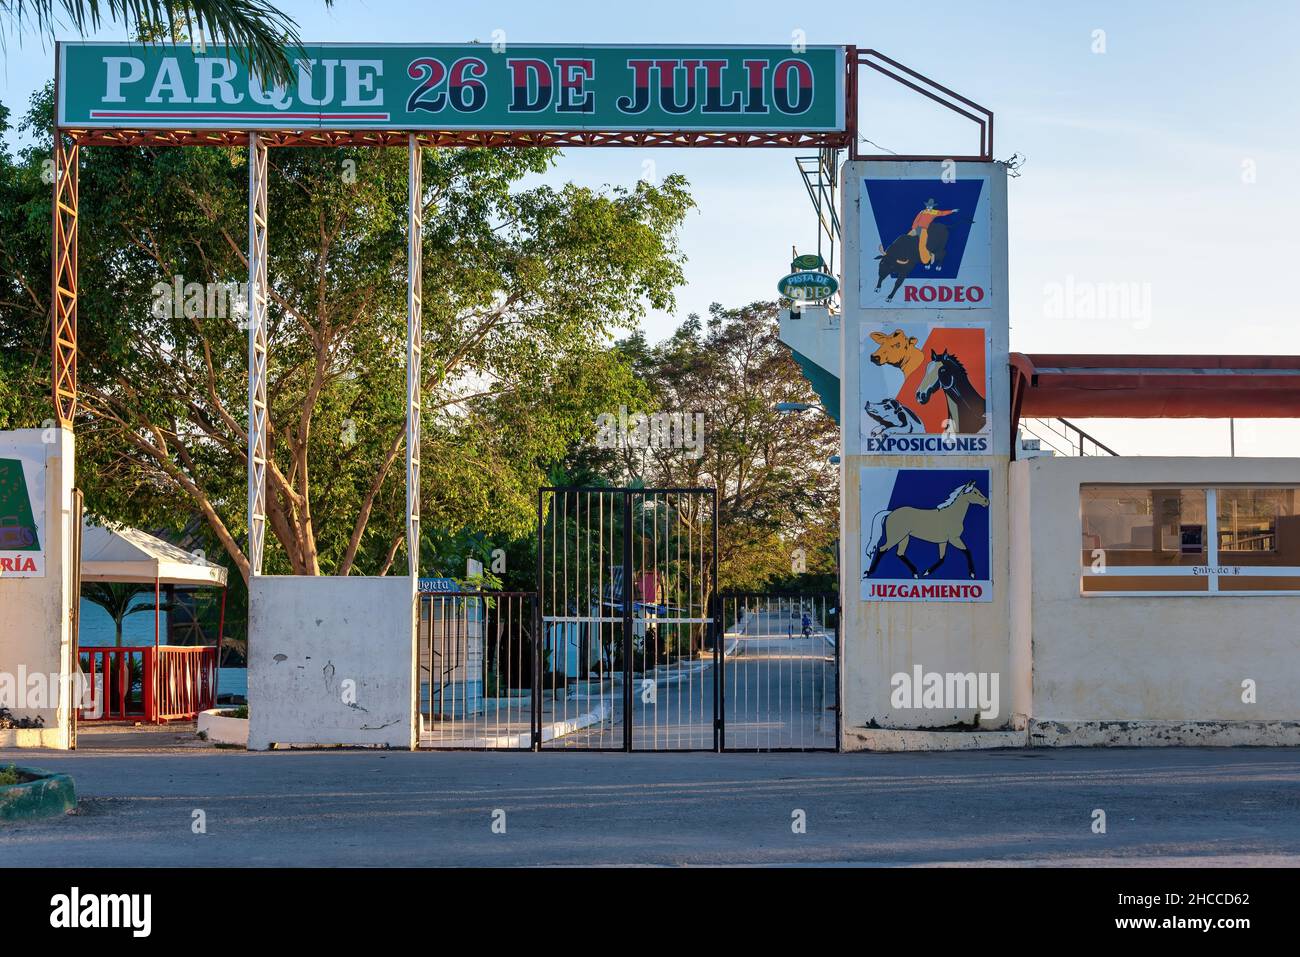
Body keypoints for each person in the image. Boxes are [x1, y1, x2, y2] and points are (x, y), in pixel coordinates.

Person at [909, 198, 959, 268]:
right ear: (926, 206)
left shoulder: (934, 212)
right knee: (907, 239)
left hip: (924, 230)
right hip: (917, 228)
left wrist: (952, 211)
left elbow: (943, 213)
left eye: (930, 206)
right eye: (928, 205)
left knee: (922, 246)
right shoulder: (922, 211)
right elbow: (916, 219)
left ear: (932, 206)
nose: (929, 207)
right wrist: (914, 228)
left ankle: (927, 260)